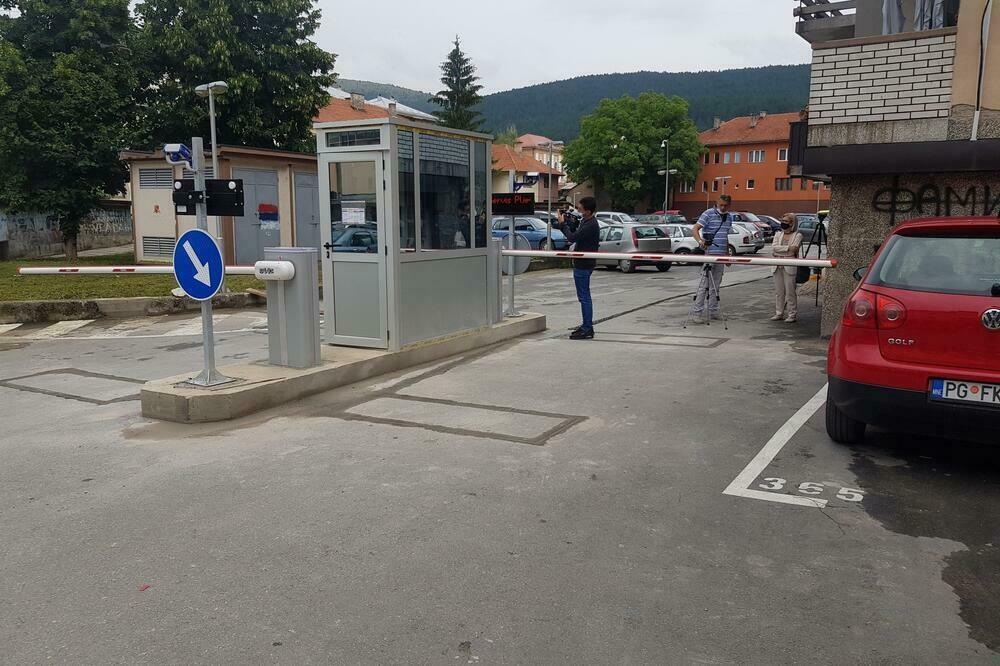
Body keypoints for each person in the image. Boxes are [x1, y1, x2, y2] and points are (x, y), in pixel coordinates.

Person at [556, 196, 600, 340]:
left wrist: (563, 224)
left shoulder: (590, 224)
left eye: (581, 208)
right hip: (584, 263)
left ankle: (587, 328)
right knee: (584, 297)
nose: (578, 209)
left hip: (584, 264)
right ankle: (586, 326)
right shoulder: (587, 221)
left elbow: (572, 237)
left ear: (588, 210)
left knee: (584, 297)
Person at [692, 195, 734, 320]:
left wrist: (727, 255)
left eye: (726, 205)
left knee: (716, 285)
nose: (723, 207)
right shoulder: (708, 214)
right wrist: (700, 241)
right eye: (721, 205)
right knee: (704, 285)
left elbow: (725, 236)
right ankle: (697, 313)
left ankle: (713, 311)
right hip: (709, 254)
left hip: (721, 255)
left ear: (729, 205)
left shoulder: (729, 217)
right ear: (716, 203)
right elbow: (695, 229)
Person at [771, 213, 803, 323]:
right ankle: (779, 313)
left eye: (786, 221)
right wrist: (788, 248)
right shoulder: (777, 234)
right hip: (777, 265)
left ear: (792, 223)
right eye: (782, 221)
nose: (783, 223)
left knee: (790, 291)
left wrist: (783, 250)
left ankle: (792, 314)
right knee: (779, 291)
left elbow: (794, 250)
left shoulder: (797, 235)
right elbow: (774, 247)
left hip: (789, 266)